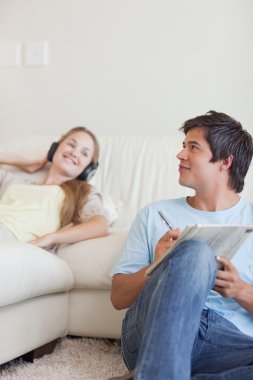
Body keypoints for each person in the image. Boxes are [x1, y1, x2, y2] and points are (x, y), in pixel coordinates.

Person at [109, 111, 253, 380]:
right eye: (183, 146)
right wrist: (158, 266)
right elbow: (118, 298)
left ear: (225, 161)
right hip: (153, 330)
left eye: (193, 147)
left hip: (227, 341)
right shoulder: (153, 215)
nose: (180, 155)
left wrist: (239, 289)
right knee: (195, 251)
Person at [0, 126, 109, 249]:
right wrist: (21, 162)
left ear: (89, 169)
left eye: (84, 153)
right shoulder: (14, 182)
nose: (74, 153)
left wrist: (51, 238)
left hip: (10, 241)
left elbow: (100, 226)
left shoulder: (82, 192)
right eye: (71, 145)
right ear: (54, 149)